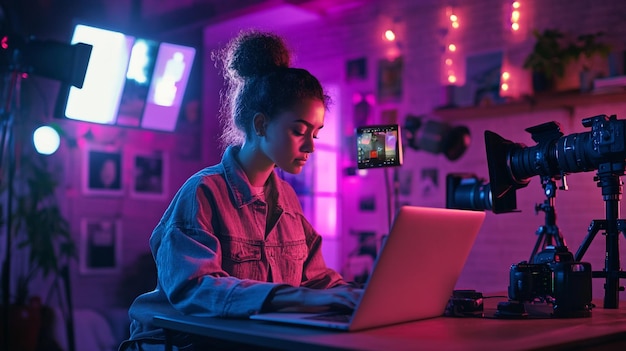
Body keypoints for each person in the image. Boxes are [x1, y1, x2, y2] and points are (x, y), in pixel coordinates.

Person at [119, 30, 362, 351]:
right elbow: (195, 289)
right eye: (298, 131)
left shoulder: (287, 200)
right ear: (260, 125)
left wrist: (366, 295)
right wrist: (293, 298)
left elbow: (315, 279)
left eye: (315, 134)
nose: (309, 147)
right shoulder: (203, 192)